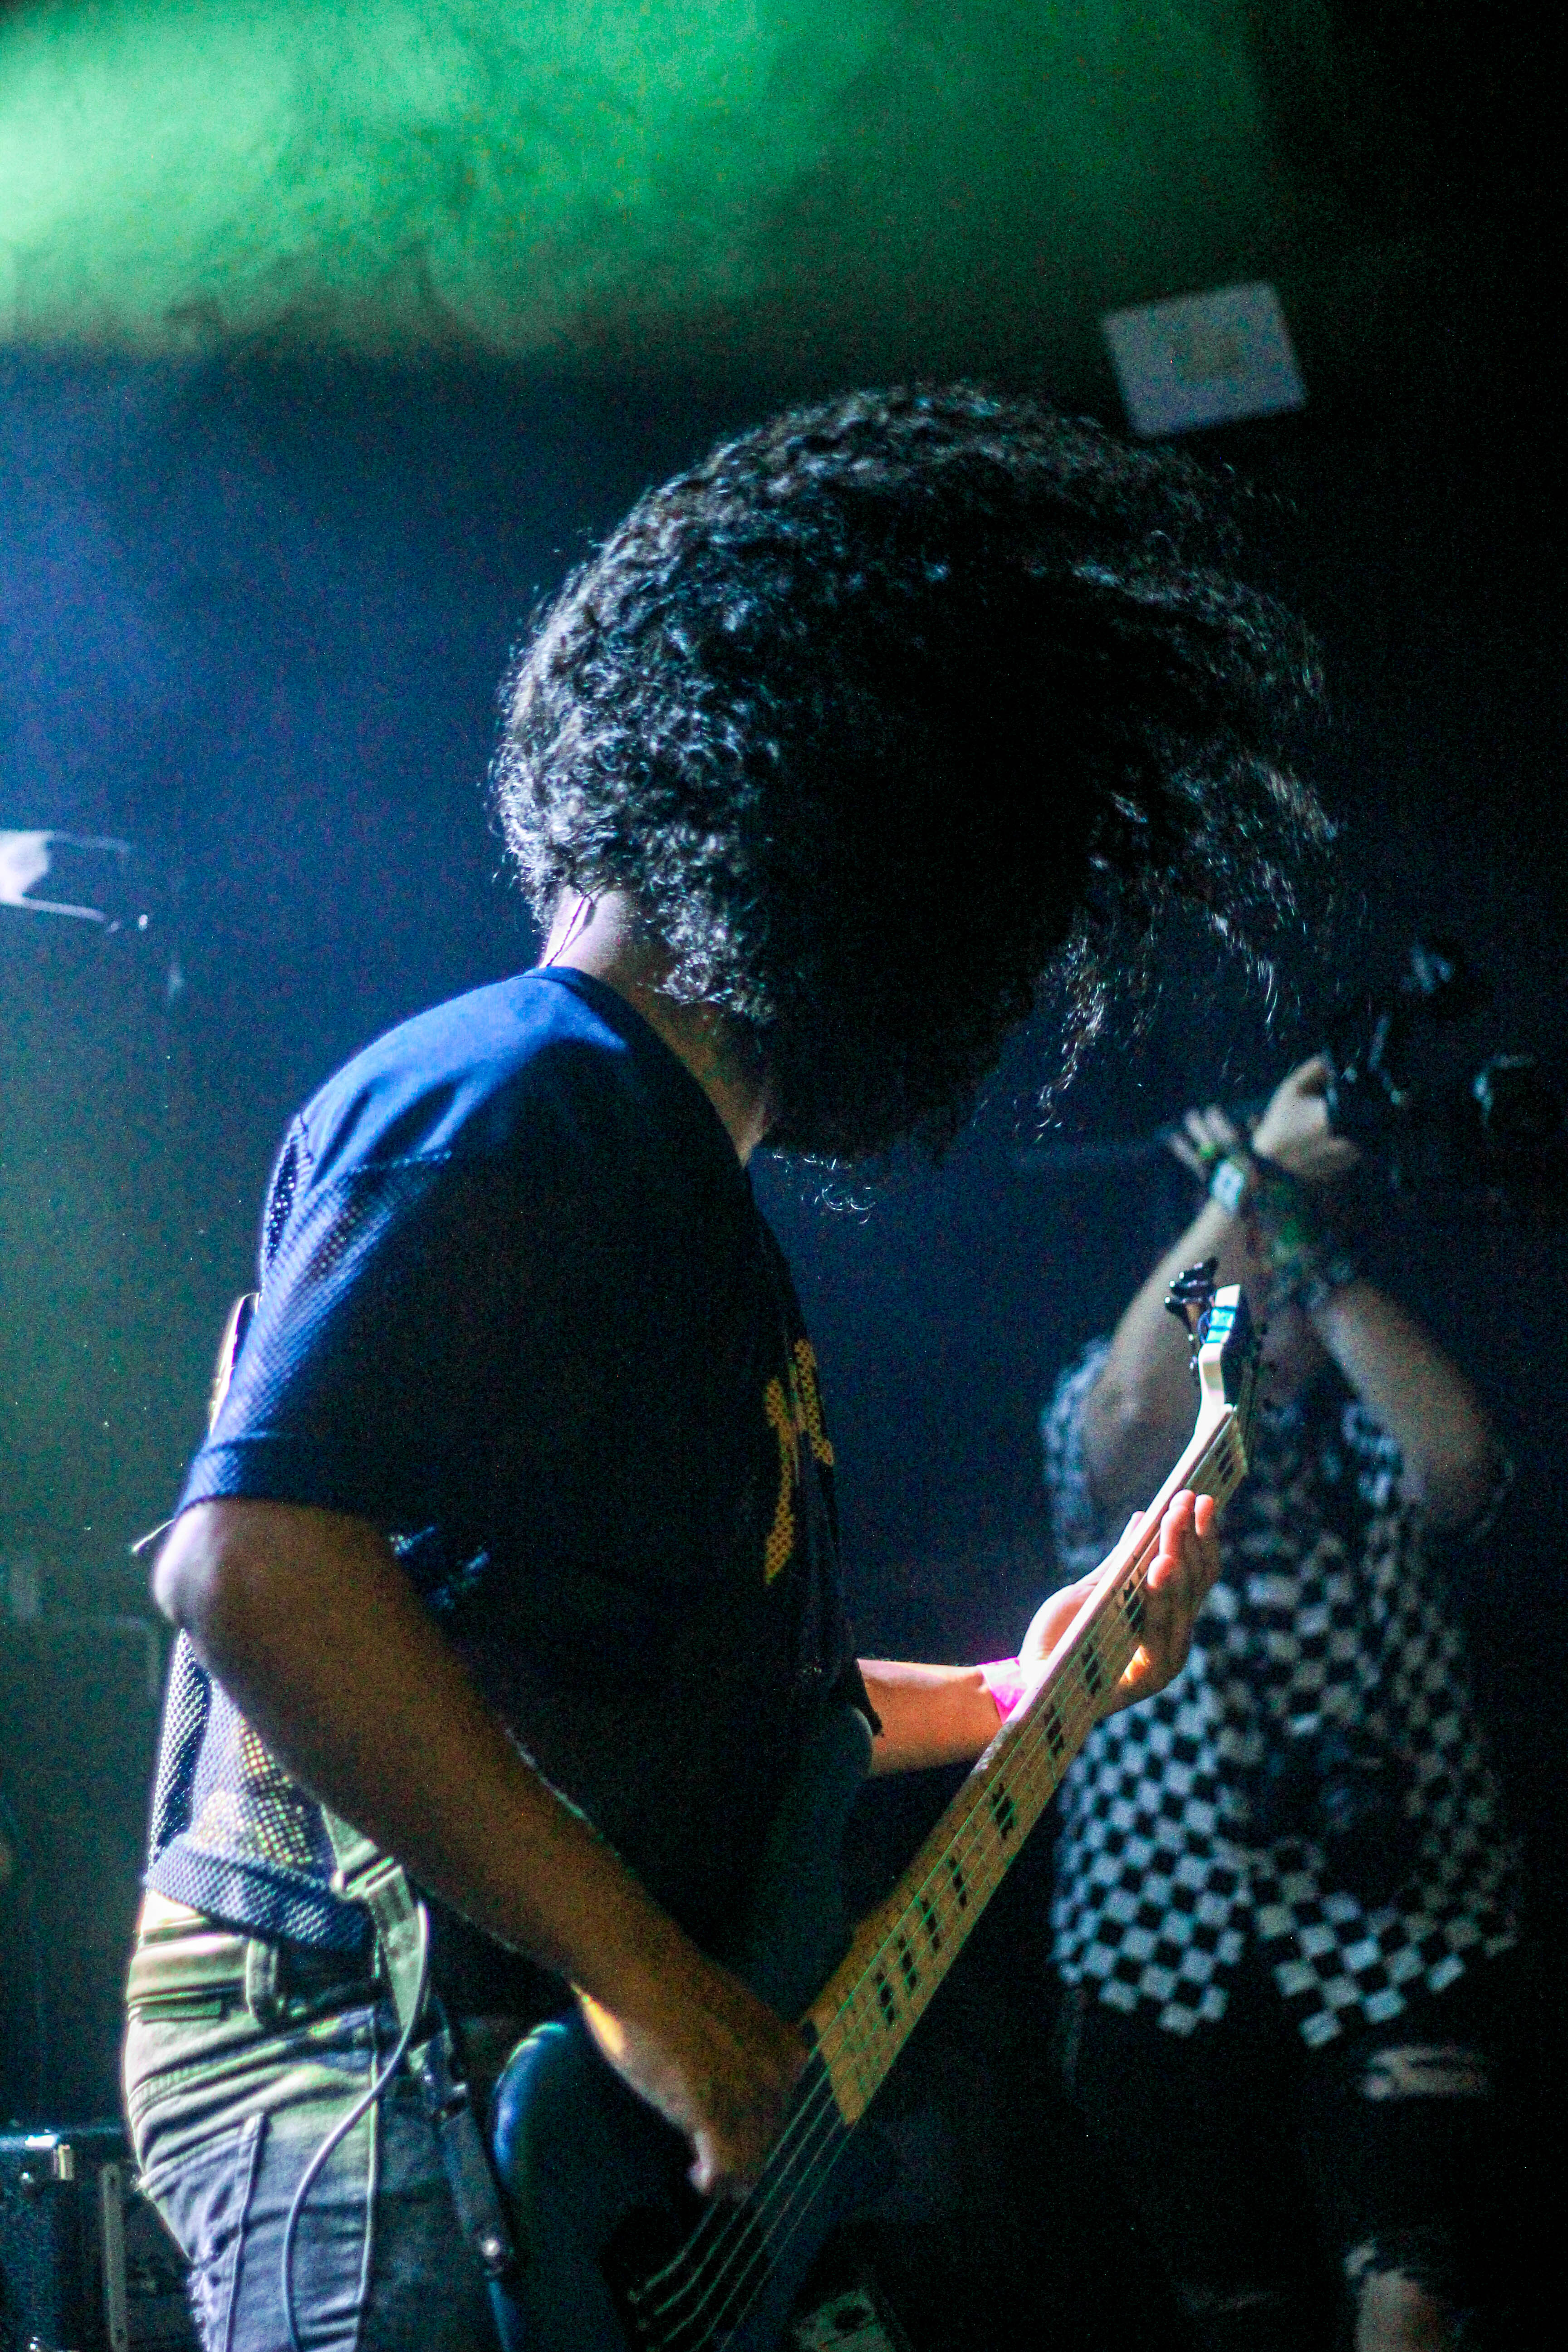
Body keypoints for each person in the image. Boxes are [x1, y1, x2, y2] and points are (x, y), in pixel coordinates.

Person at [123, 386, 1324, 2352]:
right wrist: (649, 1984)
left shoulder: (683, 1202)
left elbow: (654, 1694)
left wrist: (1015, 1692)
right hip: (383, 2070)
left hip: (534, 2110)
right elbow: (253, 1567)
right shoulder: (520, 1088)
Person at [1043, 1054, 1520, 2352]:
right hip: (1158, 1948)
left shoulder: (1364, 1426)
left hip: (1406, 1922)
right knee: (1235, 2317)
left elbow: (1460, 1464)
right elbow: (1127, 1421)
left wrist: (1300, 1239)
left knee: (1417, 2301)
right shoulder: (1104, 1401)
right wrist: (1246, 1190)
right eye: (1246, 1266)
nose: (1274, 1296)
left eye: (1287, 1261)